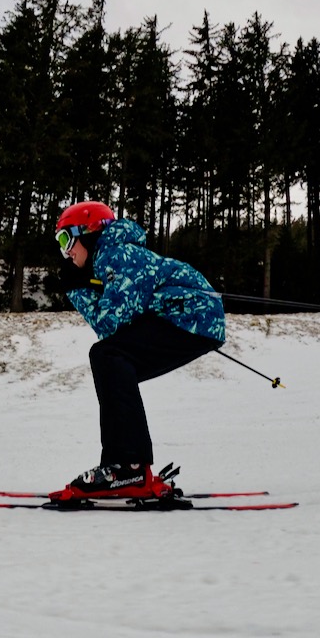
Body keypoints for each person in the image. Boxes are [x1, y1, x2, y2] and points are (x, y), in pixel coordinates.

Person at [54, 200, 226, 499]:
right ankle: (126, 467)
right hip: (190, 320)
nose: (66, 251)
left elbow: (110, 325)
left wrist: (78, 289)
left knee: (109, 354)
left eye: (66, 239)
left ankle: (127, 467)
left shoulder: (118, 254)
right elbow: (113, 324)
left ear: (90, 231)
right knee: (112, 360)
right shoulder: (113, 257)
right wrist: (82, 287)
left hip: (191, 316)